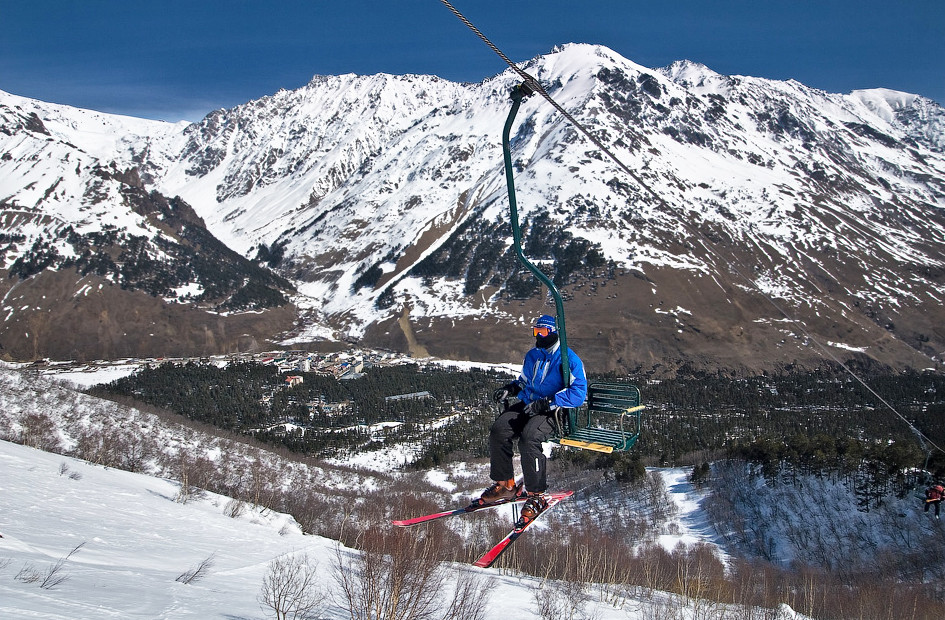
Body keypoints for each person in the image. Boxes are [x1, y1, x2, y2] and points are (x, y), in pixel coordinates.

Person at [476, 314, 588, 523]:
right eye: (536, 331)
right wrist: (510, 389)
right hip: (529, 403)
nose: (538, 336)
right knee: (499, 430)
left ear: (553, 333)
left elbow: (578, 394)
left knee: (529, 439)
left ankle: (536, 494)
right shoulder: (533, 355)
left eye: (543, 332)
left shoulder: (568, 359)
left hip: (552, 411)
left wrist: (548, 402)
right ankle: (506, 484)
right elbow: (524, 381)